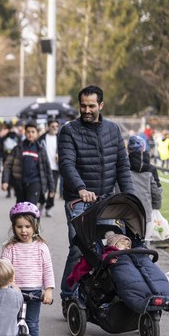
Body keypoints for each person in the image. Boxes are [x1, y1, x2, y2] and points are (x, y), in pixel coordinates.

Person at [58, 85, 135, 311]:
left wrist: (129, 197)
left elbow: (122, 165)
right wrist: (81, 188)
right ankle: (68, 294)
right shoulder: (69, 131)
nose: (87, 110)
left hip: (106, 200)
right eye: (83, 106)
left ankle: (98, 291)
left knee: (108, 247)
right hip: (79, 201)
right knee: (79, 248)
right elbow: (67, 163)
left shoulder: (112, 129)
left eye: (92, 106)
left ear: (101, 105)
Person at [0, 202, 53, 336]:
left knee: (32, 323)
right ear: (14, 227)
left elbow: (47, 269)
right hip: (14, 292)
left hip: (35, 291)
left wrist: (48, 290)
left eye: (27, 226)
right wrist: (11, 283)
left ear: (34, 226)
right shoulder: (10, 248)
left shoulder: (41, 247)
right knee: (13, 323)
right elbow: (4, 268)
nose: (24, 231)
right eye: (19, 227)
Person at [1, 121, 55, 205]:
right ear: (25, 133)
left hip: (35, 182)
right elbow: (8, 165)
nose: (30, 134)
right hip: (20, 184)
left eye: (33, 132)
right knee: (20, 209)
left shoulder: (41, 150)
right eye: (28, 132)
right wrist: (5, 181)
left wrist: (52, 188)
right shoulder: (18, 148)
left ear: (37, 133)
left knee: (30, 208)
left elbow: (47, 169)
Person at [127, 135, 162, 241]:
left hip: (125, 208)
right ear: (143, 148)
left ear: (128, 149)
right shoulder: (151, 168)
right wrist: (156, 205)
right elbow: (156, 190)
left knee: (125, 241)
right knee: (143, 240)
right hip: (145, 210)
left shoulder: (123, 166)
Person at [39, 119, 60, 217]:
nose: (55, 128)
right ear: (48, 127)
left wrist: (60, 156)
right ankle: (42, 203)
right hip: (43, 168)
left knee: (53, 189)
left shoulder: (60, 138)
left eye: (56, 126)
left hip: (55, 168)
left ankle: (49, 207)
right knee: (41, 188)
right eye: (53, 126)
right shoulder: (42, 138)